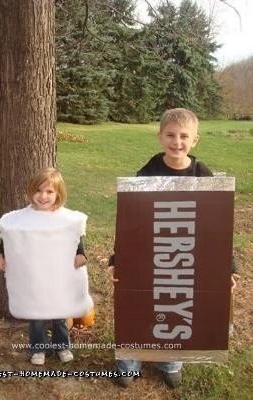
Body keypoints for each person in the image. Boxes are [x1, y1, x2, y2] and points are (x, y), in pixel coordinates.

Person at [108, 108, 238, 388]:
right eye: (170, 135)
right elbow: (131, 221)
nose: (176, 141)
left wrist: (228, 267)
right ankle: (129, 361)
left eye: (183, 136)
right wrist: (118, 259)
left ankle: (171, 361)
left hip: (185, 255)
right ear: (160, 137)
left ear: (195, 140)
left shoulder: (203, 175)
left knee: (179, 306)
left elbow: (217, 225)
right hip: (150, 255)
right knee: (142, 303)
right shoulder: (146, 173)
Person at [0, 167, 87, 366]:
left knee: (60, 313)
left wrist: (81, 253)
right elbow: (10, 239)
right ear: (30, 192)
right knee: (35, 314)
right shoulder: (18, 220)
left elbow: (74, 238)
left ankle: (62, 345)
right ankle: (38, 348)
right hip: (34, 276)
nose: (43, 196)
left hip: (58, 275)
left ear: (58, 194)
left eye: (49, 192)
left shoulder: (67, 220)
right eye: (38, 191)